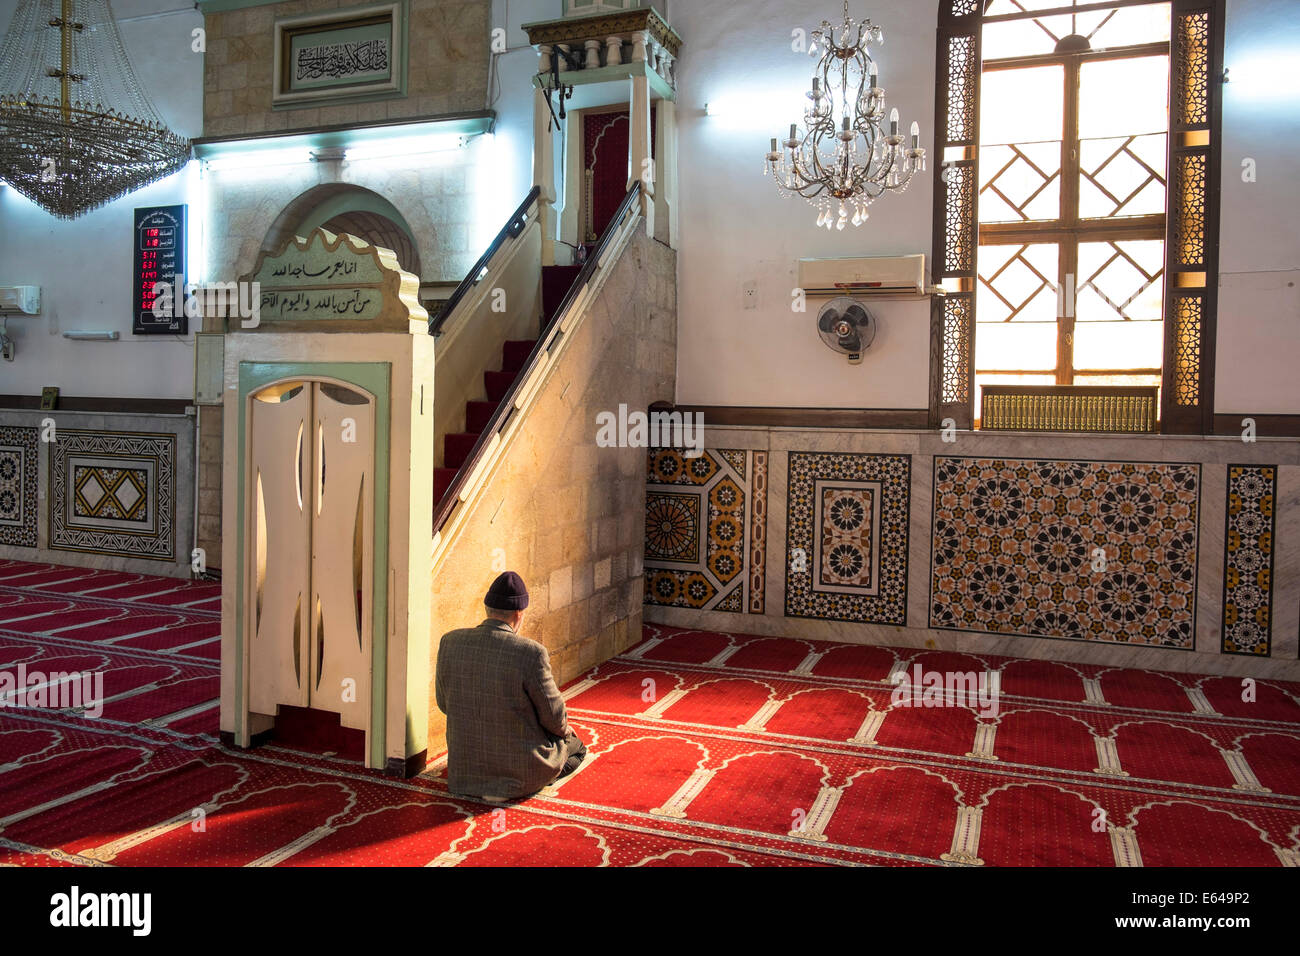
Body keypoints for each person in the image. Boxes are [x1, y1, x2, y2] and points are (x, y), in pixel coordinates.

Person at [435, 571, 587, 802]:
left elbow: (444, 704)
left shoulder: (450, 642)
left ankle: (486, 782)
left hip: (463, 774)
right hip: (519, 772)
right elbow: (554, 717)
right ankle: (515, 784)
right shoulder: (530, 652)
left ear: (487, 608)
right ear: (519, 613)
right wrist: (566, 732)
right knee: (577, 747)